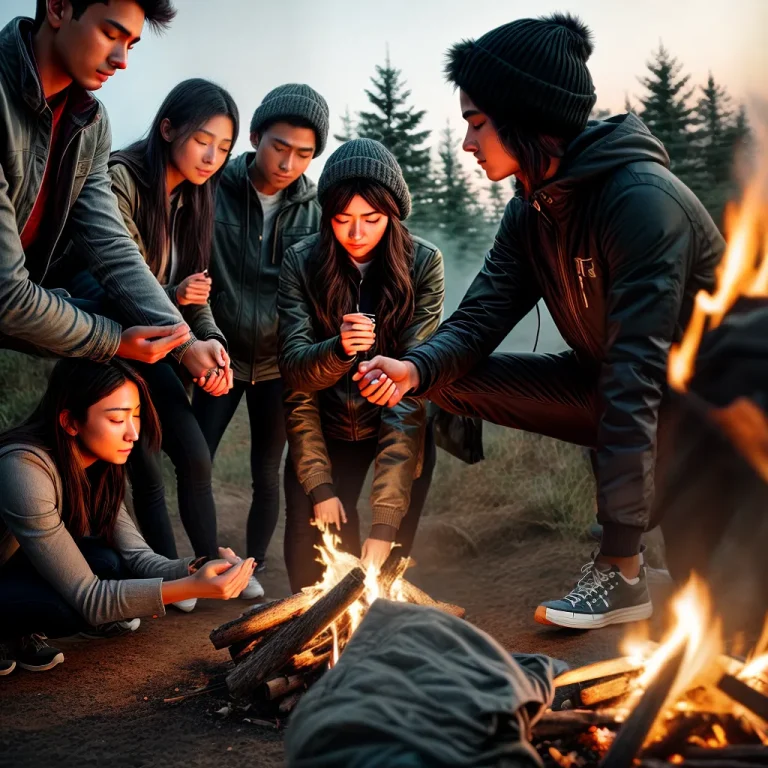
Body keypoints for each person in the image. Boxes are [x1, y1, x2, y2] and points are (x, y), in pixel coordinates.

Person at [354, 13, 726, 629]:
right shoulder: (533, 209)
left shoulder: (641, 202)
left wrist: (619, 546)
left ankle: (625, 570)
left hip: (710, 412)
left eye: (477, 122)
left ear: (526, 117)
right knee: (442, 376)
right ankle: (633, 559)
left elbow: (636, 378)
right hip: (618, 389)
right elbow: (481, 315)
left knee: (714, 609)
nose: (467, 142)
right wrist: (414, 369)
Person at [86, 79, 251, 610]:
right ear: (167, 128)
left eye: (223, 147)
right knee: (149, 465)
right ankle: (171, 577)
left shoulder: (196, 199)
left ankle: (204, 563)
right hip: (113, 339)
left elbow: (196, 294)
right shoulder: (121, 178)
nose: (212, 157)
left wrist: (213, 341)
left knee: (190, 455)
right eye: (203, 140)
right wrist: (184, 337)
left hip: (161, 341)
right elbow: (122, 277)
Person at [0, 2, 227, 381]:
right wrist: (114, 341)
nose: (122, 60)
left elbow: (111, 243)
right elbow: (7, 293)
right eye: (110, 34)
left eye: (131, 44)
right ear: (57, 7)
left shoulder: (92, 122)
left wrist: (187, 342)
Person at [0, 358, 256, 676]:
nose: (133, 434)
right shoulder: (23, 470)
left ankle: (18, 628)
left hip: (15, 565)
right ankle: (10, 630)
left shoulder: (99, 465)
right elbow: (89, 598)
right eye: (117, 419)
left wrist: (200, 566)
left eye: (135, 415)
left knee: (112, 564)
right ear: (70, 421)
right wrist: (192, 587)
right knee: (69, 608)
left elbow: (138, 556)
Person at [277, 139, 444, 591]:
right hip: (326, 423)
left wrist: (385, 523)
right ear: (326, 215)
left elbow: (410, 393)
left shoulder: (423, 263)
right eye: (341, 218)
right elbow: (295, 380)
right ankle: (313, 635)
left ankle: (380, 632)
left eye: (371, 219)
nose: (355, 233)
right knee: (312, 558)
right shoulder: (302, 262)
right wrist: (319, 484)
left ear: (392, 214)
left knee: (387, 560)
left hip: (400, 424)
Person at [193, 84, 328, 583]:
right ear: (254, 137)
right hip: (219, 354)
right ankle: (202, 565)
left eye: (304, 153)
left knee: (267, 470)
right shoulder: (211, 187)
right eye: (279, 146)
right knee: (197, 460)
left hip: (277, 363)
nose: (289, 162)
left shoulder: (316, 211)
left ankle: (253, 566)